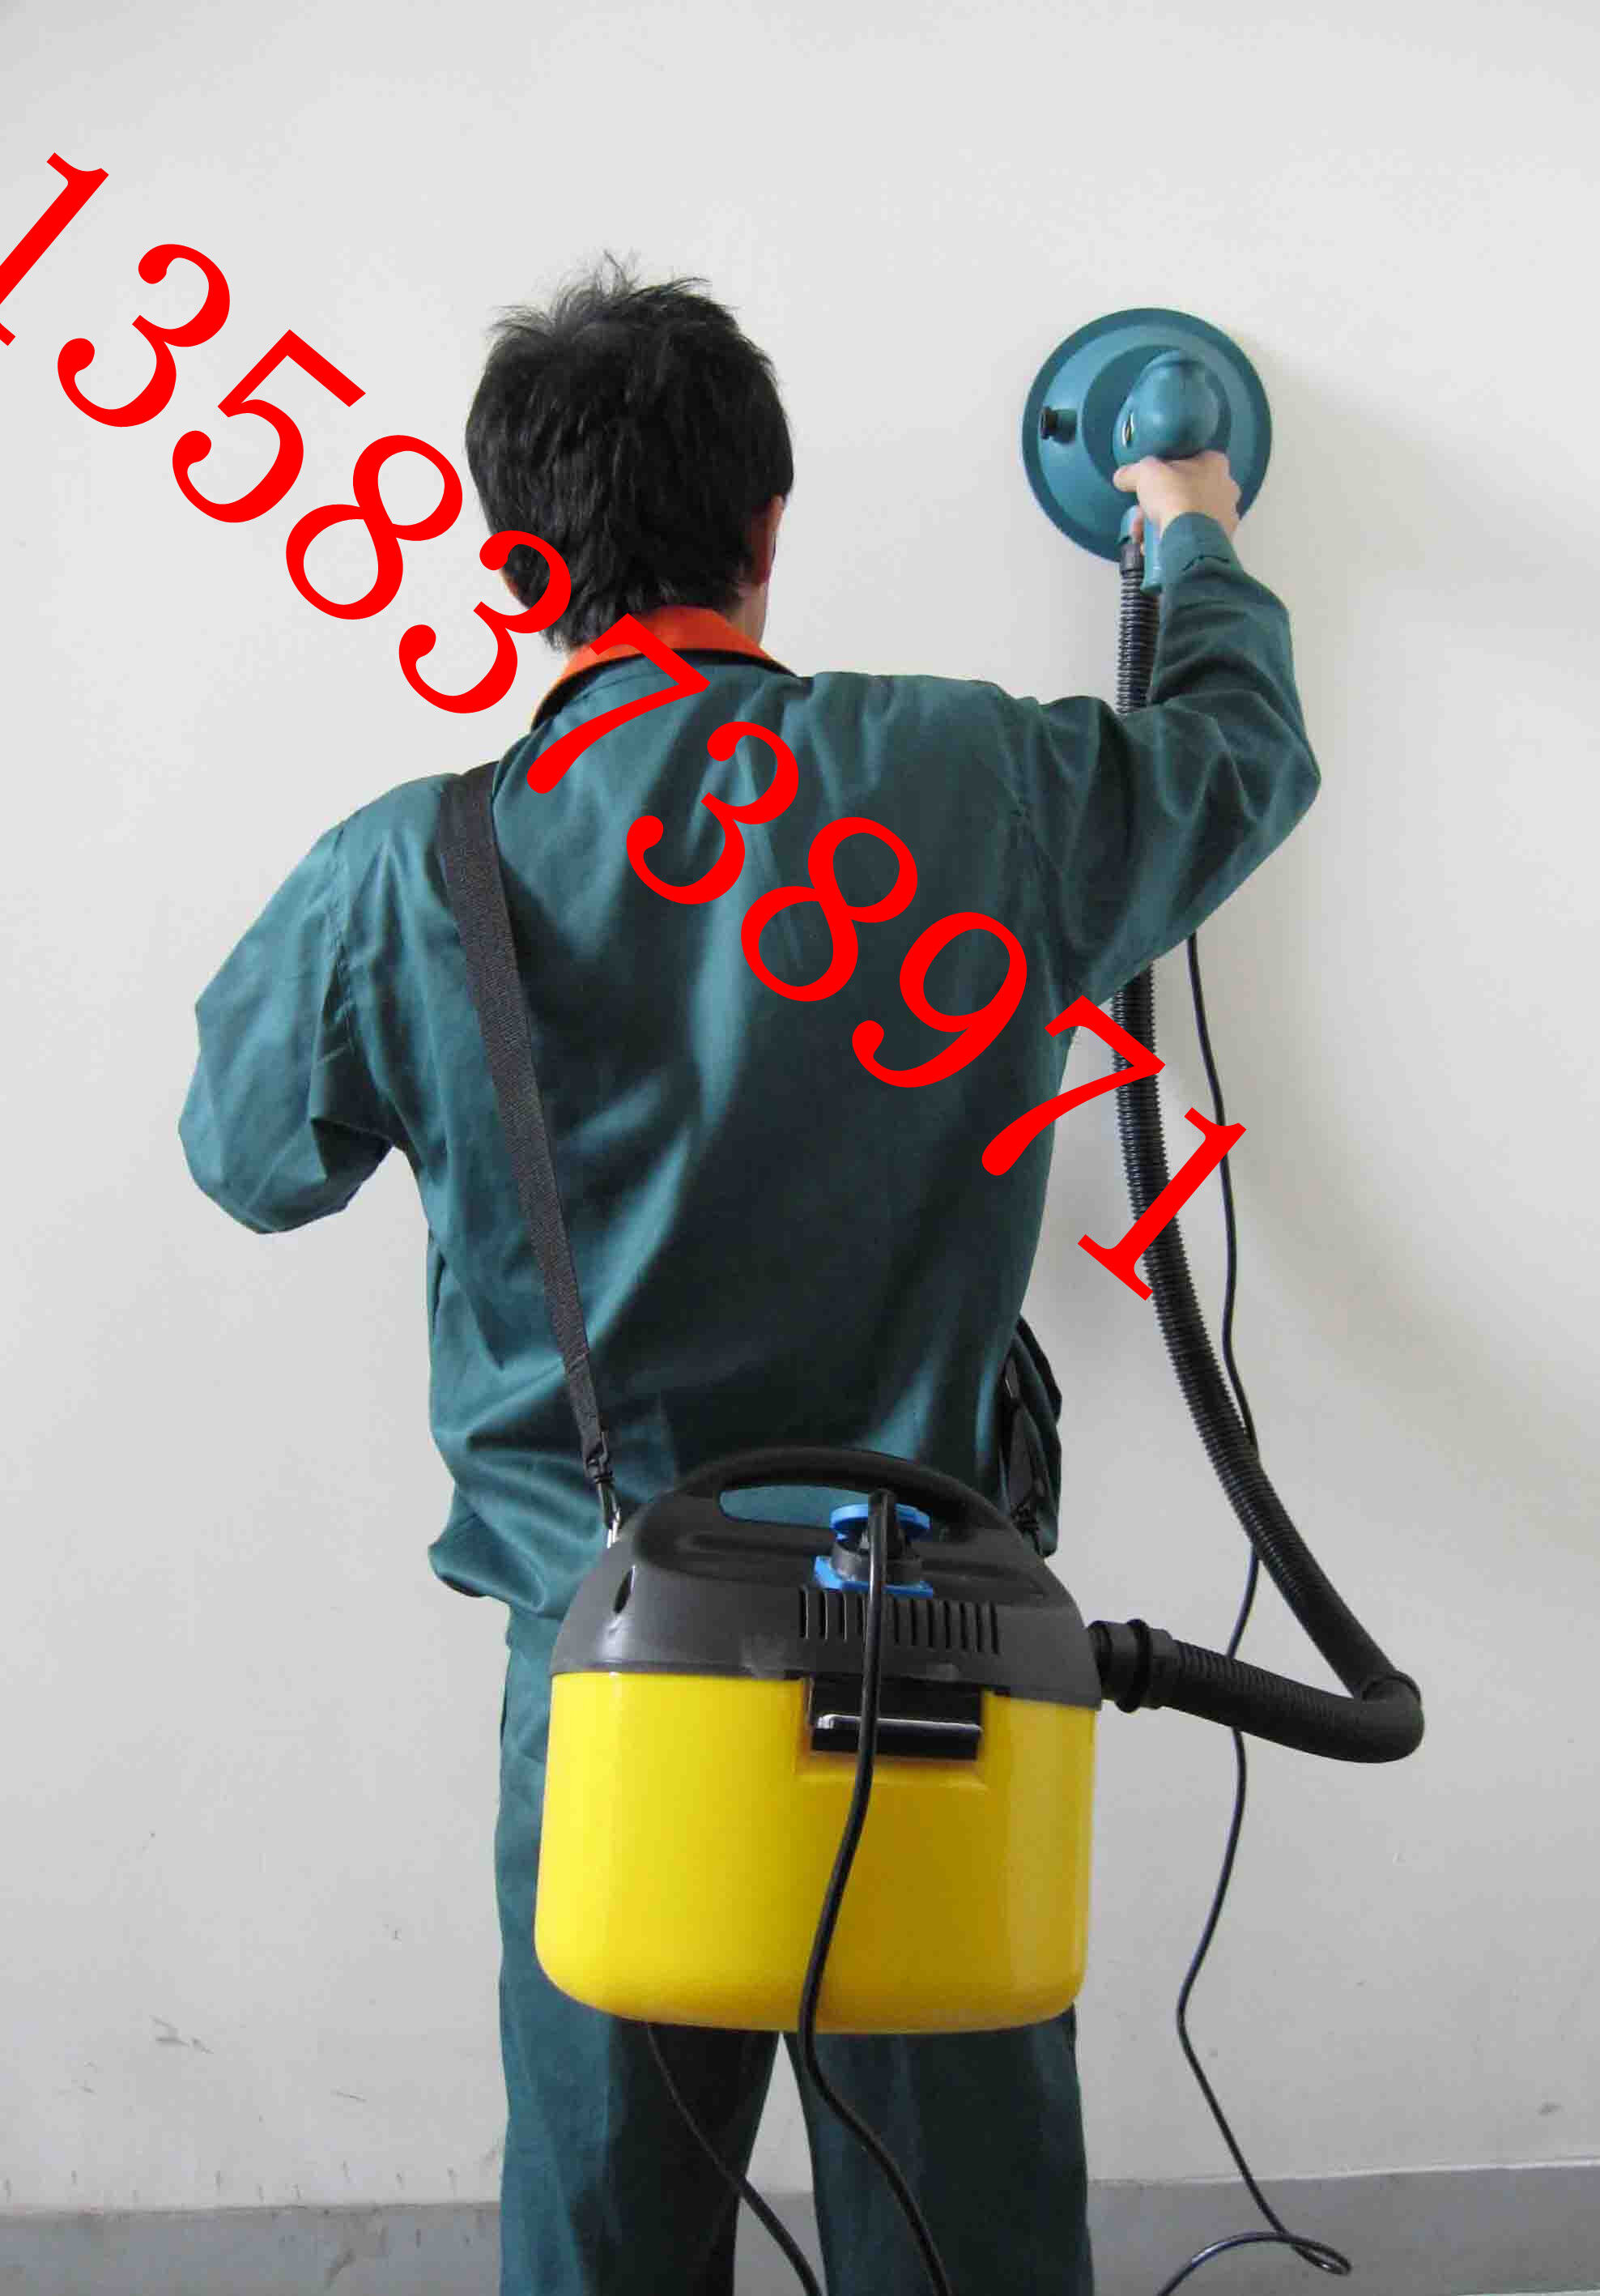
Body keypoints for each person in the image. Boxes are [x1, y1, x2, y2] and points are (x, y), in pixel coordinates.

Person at [178, 255, 1317, 2296]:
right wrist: (1185, 525)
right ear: (767, 528)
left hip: (613, 1685)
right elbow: (1233, 755)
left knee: (611, 2240)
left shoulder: (412, 870)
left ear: (517, 566)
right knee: (962, 2246)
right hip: (938, 1663)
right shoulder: (971, 781)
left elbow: (247, 1157)